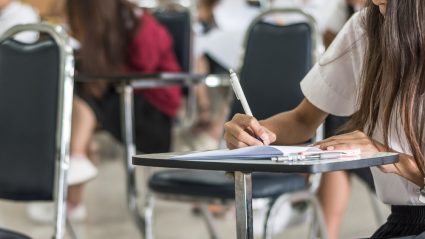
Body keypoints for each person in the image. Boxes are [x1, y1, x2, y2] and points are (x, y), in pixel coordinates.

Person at [224, 0, 425, 238]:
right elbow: (302, 120)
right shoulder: (363, 28)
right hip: (404, 223)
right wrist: (256, 131)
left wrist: (390, 156)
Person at [28, 0, 182, 223]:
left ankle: (75, 178)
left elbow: (145, 72)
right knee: (77, 98)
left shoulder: (142, 26)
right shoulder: (111, 29)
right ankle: (75, 189)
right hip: (123, 101)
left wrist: (101, 68)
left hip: (154, 115)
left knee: (85, 97)